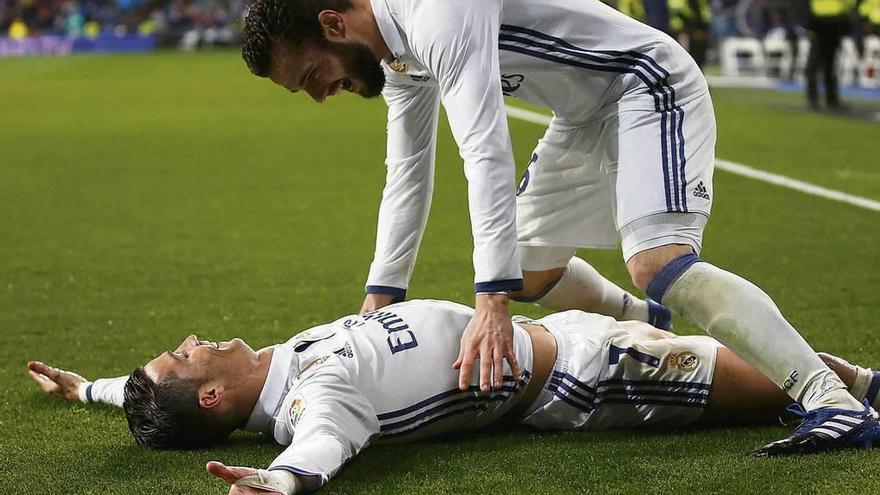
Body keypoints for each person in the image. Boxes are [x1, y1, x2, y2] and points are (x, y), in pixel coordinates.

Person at [238, 0, 880, 454]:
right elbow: (407, 173)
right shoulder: (397, 57)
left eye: (312, 76)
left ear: (332, 24)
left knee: (659, 264)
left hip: (644, 82)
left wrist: (489, 301)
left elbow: (485, 149)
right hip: (582, 114)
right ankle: (646, 323)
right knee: (529, 266)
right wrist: (379, 301)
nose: (322, 94)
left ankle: (833, 401)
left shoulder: (432, 10)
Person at [28, 299, 880, 495]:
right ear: (214, 394)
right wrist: (286, 480)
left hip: (560, 330)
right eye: (186, 356)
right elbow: (322, 443)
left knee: (771, 357)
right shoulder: (315, 396)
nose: (195, 338)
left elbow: (152, 398)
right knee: (783, 383)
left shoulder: (286, 360)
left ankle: (865, 383)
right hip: (587, 373)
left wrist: (93, 389)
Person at [805, 0, 856, 109]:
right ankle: (822, 99)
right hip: (826, 23)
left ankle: (824, 99)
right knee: (822, 65)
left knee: (825, 65)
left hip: (829, 23)